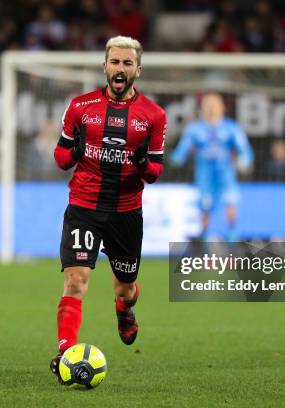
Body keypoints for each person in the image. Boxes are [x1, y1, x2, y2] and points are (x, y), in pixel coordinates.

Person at [50, 35, 166, 382]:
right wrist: (75, 152)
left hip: (125, 212)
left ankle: (124, 309)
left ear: (138, 70)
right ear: (104, 66)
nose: (120, 69)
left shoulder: (153, 116)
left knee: (125, 289)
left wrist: (144, 164)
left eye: (127, 63)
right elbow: (60, 158)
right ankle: (65, 351)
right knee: (75, 280)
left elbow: (156, 172)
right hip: (84, 206)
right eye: (114, 62)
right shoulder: (80, 108)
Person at [170, 93, 253, 242]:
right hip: (205, 176)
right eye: (208, 106)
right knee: (205, 209)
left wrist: (244, 160)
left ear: (222, 108)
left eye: (214, 105)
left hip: (226, 175)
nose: (211, 109)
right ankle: (205, 244)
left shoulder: (231, 127)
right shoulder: (194, 129)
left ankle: (232, 242)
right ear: (202, 108)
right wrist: (176, 157)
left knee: (230, 206)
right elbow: (182, 150)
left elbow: (245, 149)